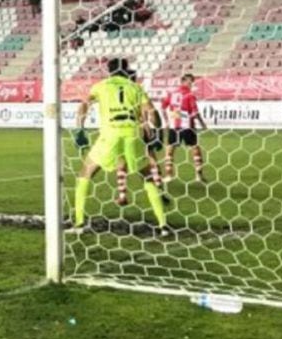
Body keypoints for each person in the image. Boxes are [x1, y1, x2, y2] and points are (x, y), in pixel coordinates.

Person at [71, 58, 169, 234]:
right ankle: (163, 225)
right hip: (133, 134)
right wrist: (159, 132)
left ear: (109, 70)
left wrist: (80, 128)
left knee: (85, 173)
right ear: (126, 69)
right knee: (147, 177)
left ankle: (78, 223)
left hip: (110, 134)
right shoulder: (135, 87)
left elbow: (84, 105)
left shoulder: (100, 86)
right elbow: (152, 112)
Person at [162, 73, 208, 181]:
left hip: (175, 126)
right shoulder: (190, 95)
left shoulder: (172, 93)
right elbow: (195, 112)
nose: (191, 84)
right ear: (183, 81)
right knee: (195, 149)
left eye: (192, 82)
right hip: (188, 126)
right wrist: (202, 124)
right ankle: (199, 175)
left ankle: (168, 175)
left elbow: (163, 107)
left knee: (169, 149)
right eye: (189, 82)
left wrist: (167, 122)